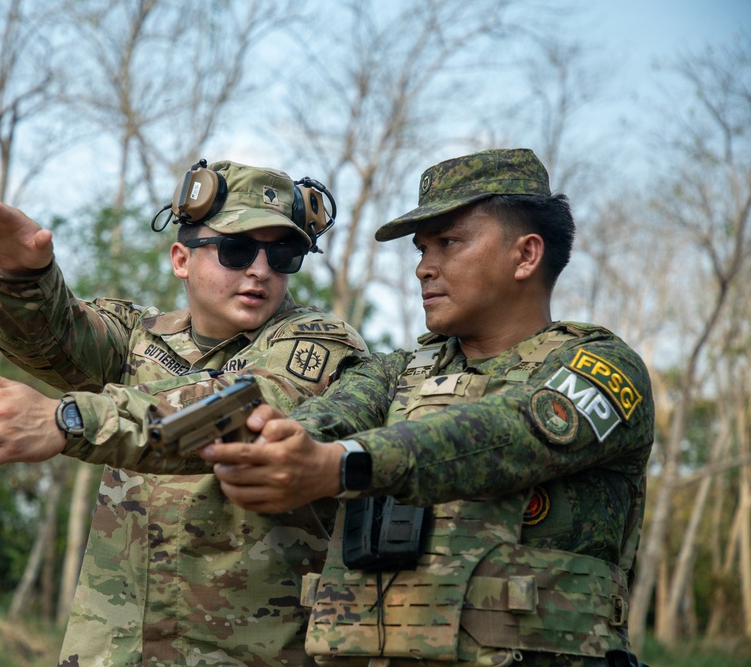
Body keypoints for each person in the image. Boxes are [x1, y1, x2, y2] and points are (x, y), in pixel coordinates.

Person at [201, 148, 655, 667]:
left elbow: (508, 433)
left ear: (526, 255)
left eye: (449, 243)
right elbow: (330, 418)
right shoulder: (397, 371)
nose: (423, 268)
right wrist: (276, 444)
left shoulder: (600, 366)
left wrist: (343, 463)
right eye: (421, 249)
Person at [0, 160, 369, 665]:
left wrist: (67, 420)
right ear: (182, 259)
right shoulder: (141, 337)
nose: (260, 269)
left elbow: (243, 407)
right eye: (237, 249)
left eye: (283, 254)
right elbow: (51, 338)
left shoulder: (318, 343)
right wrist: (22, 274)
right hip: (114, 651)